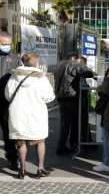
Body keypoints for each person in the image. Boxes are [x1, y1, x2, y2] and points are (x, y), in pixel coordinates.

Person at [5, 52, 55, 179]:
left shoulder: (14, 76)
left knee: (20, 141)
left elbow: (8, 95)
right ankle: (40, 168)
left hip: (18, 112)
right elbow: (49, 96)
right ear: (36, 62)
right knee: (40, 140)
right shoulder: (40, 77)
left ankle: (22, 170)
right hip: (36, 112)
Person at [54, 52, 94, 155]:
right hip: (71, 97)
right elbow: (89, 73)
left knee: (65, 124)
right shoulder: (73, 65)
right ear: (75, 58)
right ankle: (74, 144)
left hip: (61, 97)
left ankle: (61, 146)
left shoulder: (59, 65)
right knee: (75, 122)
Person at [0, 31, 18, 170]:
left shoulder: (15, 58)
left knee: (8, 132)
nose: (6, 46)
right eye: (3, 44)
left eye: (7, 44)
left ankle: (12, 158)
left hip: (8, 102)